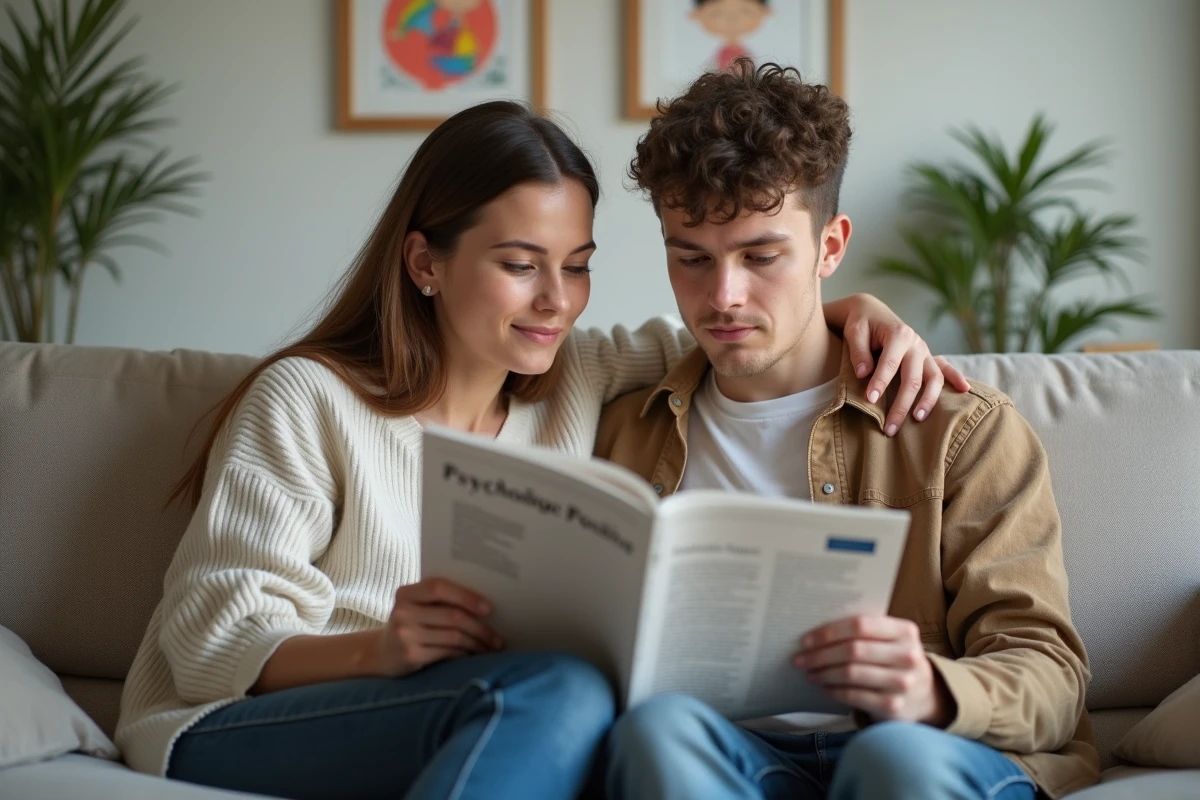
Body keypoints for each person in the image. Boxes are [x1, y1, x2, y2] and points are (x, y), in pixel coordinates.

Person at [114, 99, 964, 800]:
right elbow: (205, 640)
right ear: (425, 264)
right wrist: (379, 650)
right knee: (560, 691)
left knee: (579, 703)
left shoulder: (580, 374)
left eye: (578, 266)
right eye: (521, 265)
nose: (557, 302)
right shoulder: (310, 398)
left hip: (474, 719)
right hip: (239, 725)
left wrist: (857, 314)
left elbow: (738, 330)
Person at [595, 62, 1098, 800]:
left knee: (893, 759)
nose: (723, 296)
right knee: (655, 732)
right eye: (691, 258)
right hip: (734, 759)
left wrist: (932, 690)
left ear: (830, 248)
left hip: (923, 752)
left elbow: (1050, 673)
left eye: (761, 256)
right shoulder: (623, 433)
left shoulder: (962, 431)